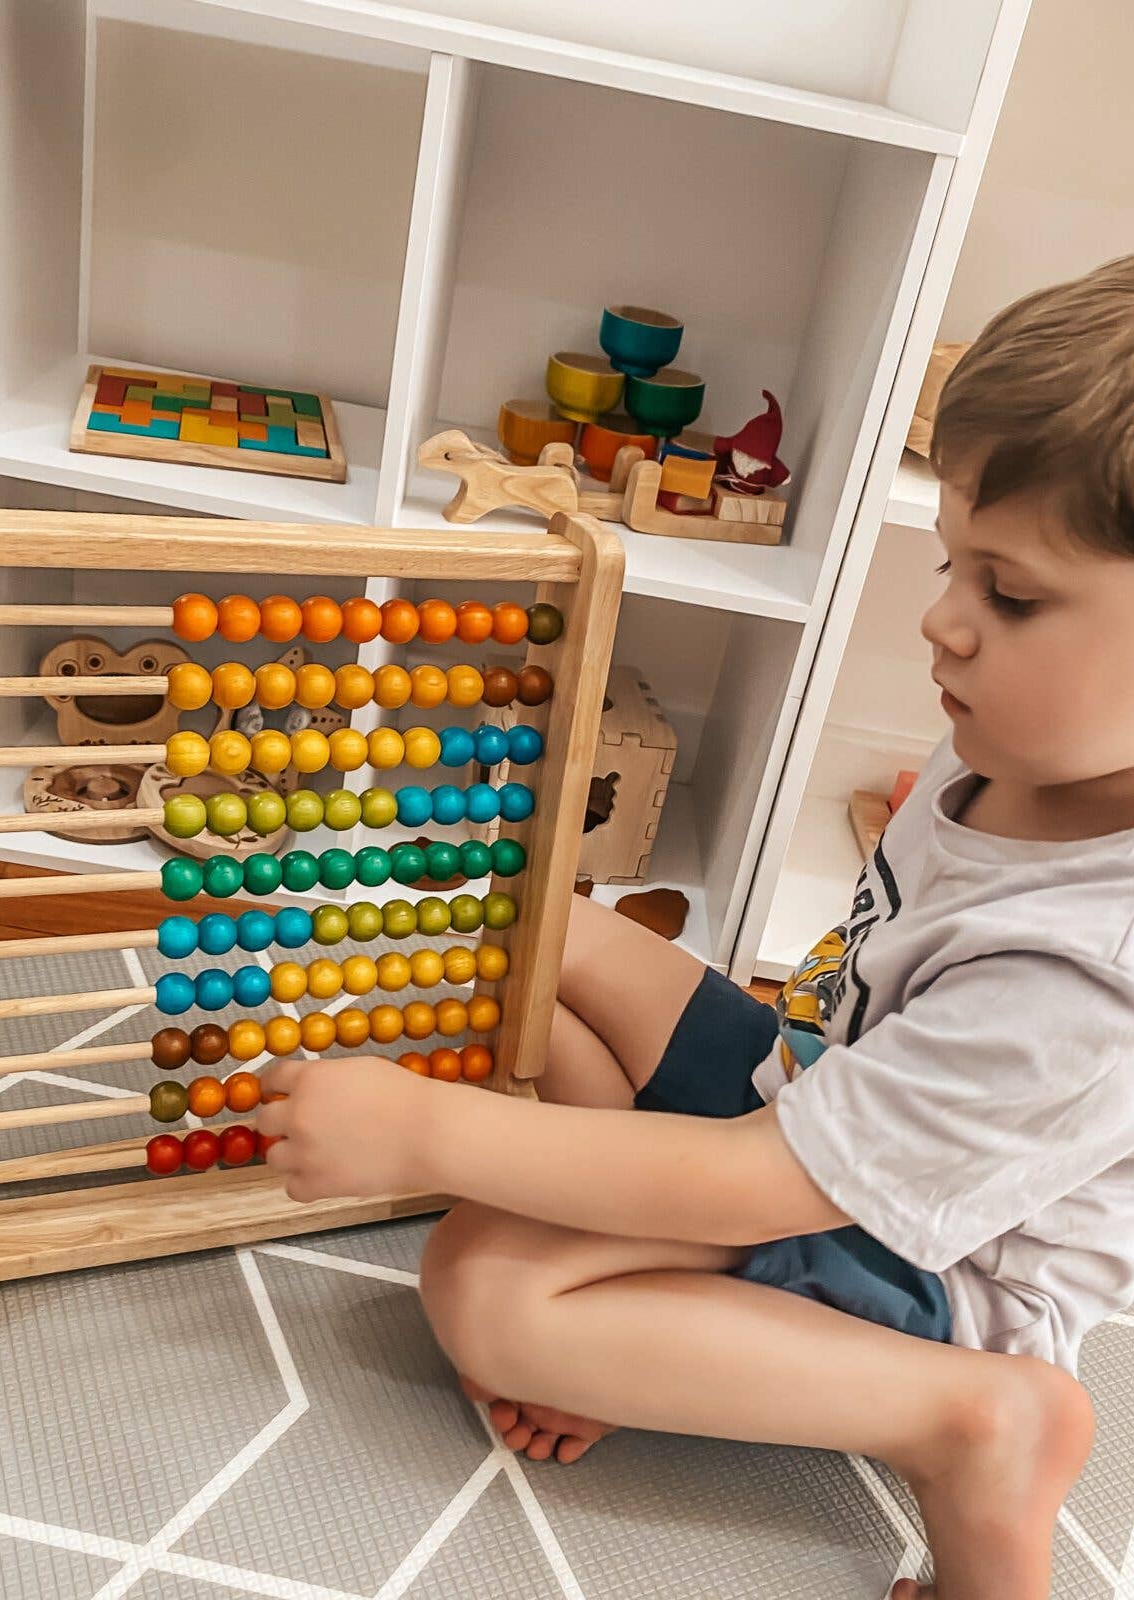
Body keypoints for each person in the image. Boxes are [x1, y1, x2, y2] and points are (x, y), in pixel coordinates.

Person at [257, 257, 1134, 1600]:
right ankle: (665, 1328)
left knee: (486, 1285)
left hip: (929, 1265)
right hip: (816, 1101)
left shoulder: (1086, 977)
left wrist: (426, 1135)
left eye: (1008, 595)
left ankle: (975, 1428)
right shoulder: (1027, 755)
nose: (941, 619)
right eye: (953, 563)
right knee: (548, 944)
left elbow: (774, 1186)